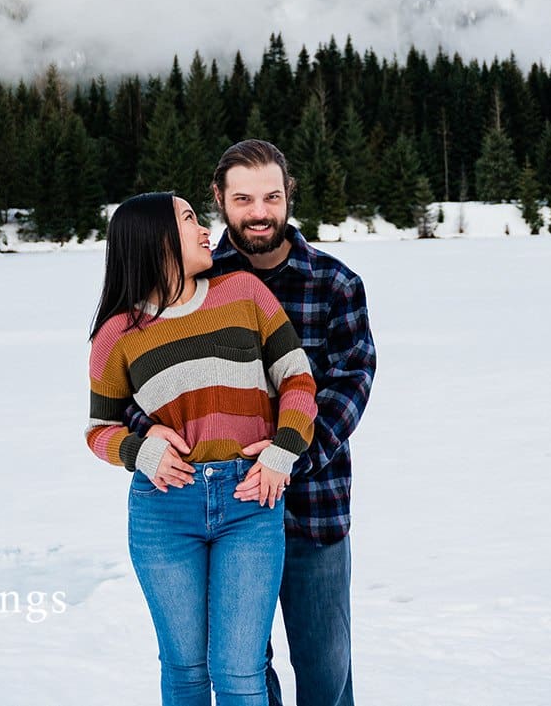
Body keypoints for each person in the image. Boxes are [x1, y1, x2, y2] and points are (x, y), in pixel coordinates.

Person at [127, 140, 377, 706]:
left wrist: (288, 457)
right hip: (223, 507)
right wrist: (147, 433)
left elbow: (351, 384)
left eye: (271, 196)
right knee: (243, 670)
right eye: (243, 198)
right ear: (219, 200)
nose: (259, 211)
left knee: (325, 666)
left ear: (289, 196)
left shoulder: (335, 284)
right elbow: (138, 372)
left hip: (315, 506)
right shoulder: (194, 280)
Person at [86, 191, 319, 706]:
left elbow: (297, 380)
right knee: (186, 671)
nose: (204, 229)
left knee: (239, 672)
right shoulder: (117, 336)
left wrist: (282, 452)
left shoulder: (243, 293)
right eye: (189, 219)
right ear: (156, 240)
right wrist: (140, 450)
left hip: (249, 502)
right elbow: (99, 430)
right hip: (165, 510)